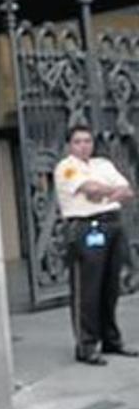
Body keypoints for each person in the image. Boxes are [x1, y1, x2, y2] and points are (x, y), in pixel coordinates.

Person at [53, 124, 139, 366]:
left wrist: (102, 194)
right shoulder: (67, 167)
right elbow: (89, 189)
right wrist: (110, 192)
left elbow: (128, 191)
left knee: (110, 287)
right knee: (87, 290)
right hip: (85, 228)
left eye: (88, 141)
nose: (84, 146)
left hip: (112, 225)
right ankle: (87, 345)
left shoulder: (103, 165)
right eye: (78, 141)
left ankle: (111, 339)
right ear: (70, 145)